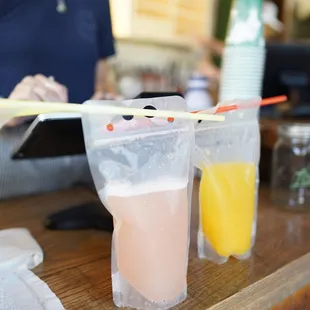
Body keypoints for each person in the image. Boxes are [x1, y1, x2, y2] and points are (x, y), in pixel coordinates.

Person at [0, 0, 115, 199]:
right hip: (12, 155)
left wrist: (106, 102)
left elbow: (102, 82)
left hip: (84, 156)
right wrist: (7, 110)